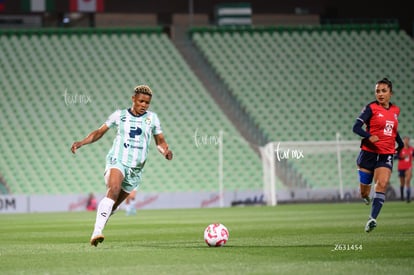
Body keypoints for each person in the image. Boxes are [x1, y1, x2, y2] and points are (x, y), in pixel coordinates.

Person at [71, 85, 173, 246]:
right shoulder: (119, 115)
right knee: (114, 189)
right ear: (133, 99)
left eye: (147, 103)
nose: (144, 105)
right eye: (141, 101)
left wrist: (165, 151)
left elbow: (160, 141)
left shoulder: (152, 119)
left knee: (114, 205)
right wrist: (82, 142)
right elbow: (99, 132)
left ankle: (100, 225)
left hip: (135, 169)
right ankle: (96, 232)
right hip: (117, 160)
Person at [352, 77, 403, 233]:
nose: (380, 94)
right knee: (364, 192)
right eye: (377, 91)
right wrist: (368, 136)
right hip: (368, 153)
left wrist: (400, 144)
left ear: (390, 93)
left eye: (383, 91)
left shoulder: (395, 111)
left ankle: (372, 219)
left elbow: (392, 130)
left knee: (382, 184)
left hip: (385, 153)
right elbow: (356, 127)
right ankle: (366, 197)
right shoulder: (371, 108)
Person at [397, 136, 414, 202]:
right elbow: (396, 157)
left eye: (407, 140)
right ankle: (402, 197)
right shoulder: (400, 149)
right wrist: (402, 157)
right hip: (401, 167)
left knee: (408, 181)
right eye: (405, 140)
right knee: (402, 183)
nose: (406, 141)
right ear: (403, 141)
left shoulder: (412, 149)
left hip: (408, 167)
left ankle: (408, 198)